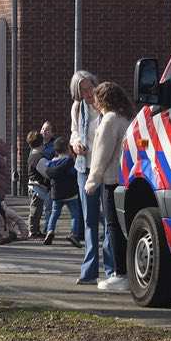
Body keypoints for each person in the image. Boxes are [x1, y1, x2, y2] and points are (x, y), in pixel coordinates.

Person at [84, 82, 135, 289]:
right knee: (124, 227)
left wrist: (92, 180)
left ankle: (120, 273)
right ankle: (127, 272)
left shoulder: (109, 120)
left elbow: (101, 154)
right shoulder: (126, 117)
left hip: (111, 179)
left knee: (113, 226)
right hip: (127, 178)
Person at [69, 69, 111, 285]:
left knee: (109, 220)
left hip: (104, 167)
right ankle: (89, 271)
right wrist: (76, 144)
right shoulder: (78, 108)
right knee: (89, 219)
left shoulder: (104, 105)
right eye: (82, 90)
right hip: (84, 168)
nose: (87, 93)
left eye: (89, 88)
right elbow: (74, 132)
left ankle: (112, 270)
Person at [39, 137, 82, 244]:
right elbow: (74, 174)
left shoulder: (51, 163)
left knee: (54, 214)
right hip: (70, 193)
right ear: (68, 148)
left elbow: (48, 175)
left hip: (56, 194)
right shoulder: (69, 162)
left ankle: (50, 231)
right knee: (75, 214)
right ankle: (73, 233)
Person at [24, 131, 49, 237]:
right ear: (42, 143)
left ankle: (35, 229)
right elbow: (46, 172)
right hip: (37, 187)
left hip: (34, 186)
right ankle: (33, 230)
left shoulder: (32, 155)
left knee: (36, 210)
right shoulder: (39, 158)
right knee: (35, 210)